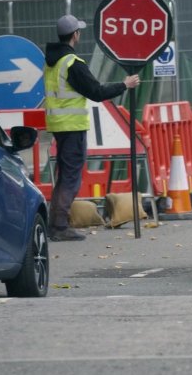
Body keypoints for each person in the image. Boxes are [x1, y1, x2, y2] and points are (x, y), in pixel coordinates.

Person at [43, 14, 139, 241]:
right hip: (72, 126)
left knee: (64, 175)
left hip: (58, 124)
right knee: (70, 178)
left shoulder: (52, 62)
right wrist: (124, 85)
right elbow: (96, 91)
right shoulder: (72, 63)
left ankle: (55, 223)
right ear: (75, 35)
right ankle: (59, 226)